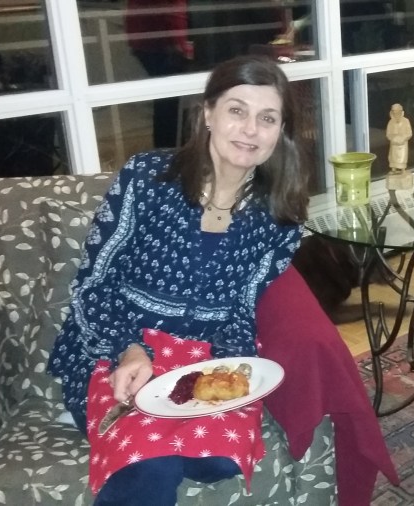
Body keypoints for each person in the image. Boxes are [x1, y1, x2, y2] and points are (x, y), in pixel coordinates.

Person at [48, 54, 308, 505]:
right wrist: (127, 348)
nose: (250, 129)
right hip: (119, 347)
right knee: (151, 465)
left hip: (199, 361)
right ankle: (123, 435)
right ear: (208, 114)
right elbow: (94, 281)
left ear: (280, 131)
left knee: (219, 462)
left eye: (267, 118)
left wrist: (227, 371)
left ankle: (135, 433)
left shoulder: (279, 216)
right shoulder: (147, 178)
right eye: (236, 110)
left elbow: (243, 308)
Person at [125, 0, 193, 148]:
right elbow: (173, 12)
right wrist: (179, 47)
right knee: (170, 105)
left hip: (145, 40)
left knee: (165, 102)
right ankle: (171, 150)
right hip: (162, 44)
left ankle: (165, 149)